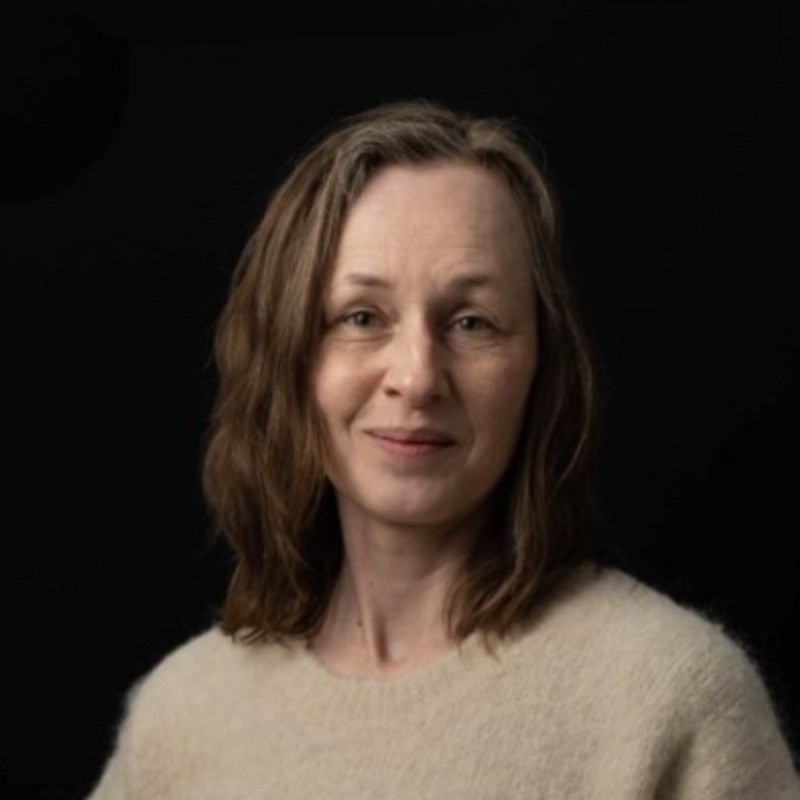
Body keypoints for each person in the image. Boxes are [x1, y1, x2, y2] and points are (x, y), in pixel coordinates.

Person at [86, 100, 800, 799]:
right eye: (361, 317)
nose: (417, 377)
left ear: (543, 369)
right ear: (288, 357)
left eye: (471, 323)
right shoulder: (180, 719)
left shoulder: (671, 700)